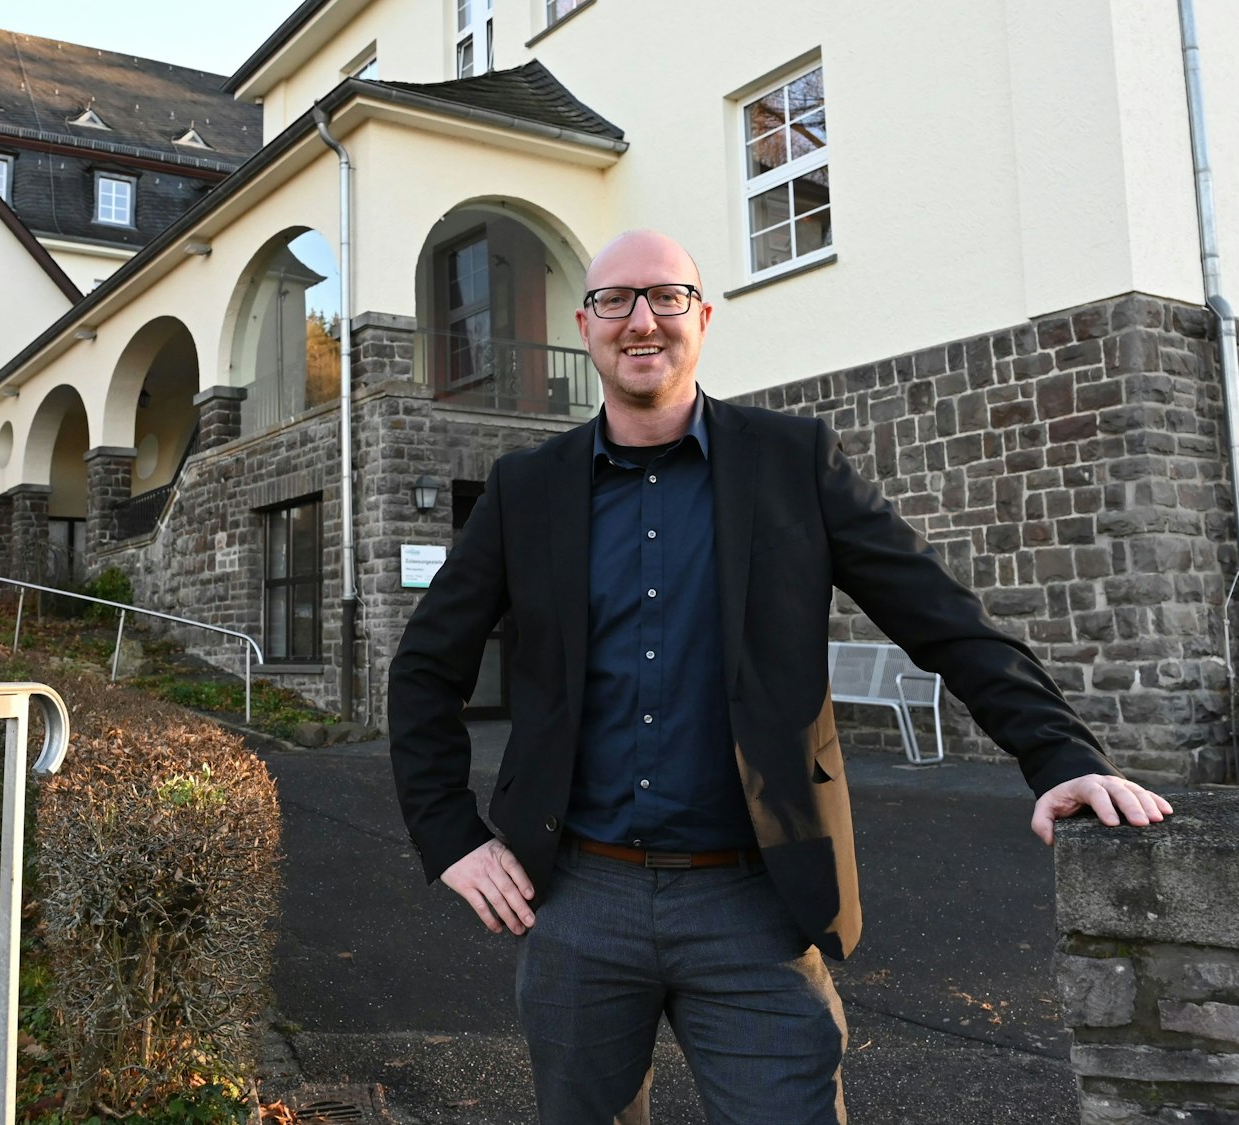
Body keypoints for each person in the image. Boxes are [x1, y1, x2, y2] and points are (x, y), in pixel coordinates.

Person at [387, 229, 1172, 1123]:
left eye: (666, 297)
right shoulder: (525, 487)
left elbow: (943, 618)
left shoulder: (792, 462)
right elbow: (423, 669)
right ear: (587, 323)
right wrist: (449, 835)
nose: (641, 319)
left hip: (753, 901)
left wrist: (1061, 754)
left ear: (703, 317)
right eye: (616, 301)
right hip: (578, 903)